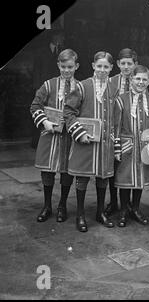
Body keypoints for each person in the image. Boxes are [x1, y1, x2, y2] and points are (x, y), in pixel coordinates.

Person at [63, 51, 117, 232]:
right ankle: (80, 214)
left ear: (111, 68)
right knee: (82, 178)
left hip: (104, 143)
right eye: (99, 66)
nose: (102, 70)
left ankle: (100, 212)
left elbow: (117, 117)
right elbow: (68, 112)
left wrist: (114, 139)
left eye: (106, 67)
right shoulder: (82, 86)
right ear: (93, 66)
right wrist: (79, 133)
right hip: (84, 141)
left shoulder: (114, 88)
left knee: (103, 178)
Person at [30, 49, 80, 223]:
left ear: (76, 66)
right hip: (50, 135)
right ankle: (47, 205)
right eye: (63, 66)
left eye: (70, 67)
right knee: (48, 170)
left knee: (67, 171)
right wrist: (44, 122)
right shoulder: (49, 85)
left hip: (70, 136)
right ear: (58, 65)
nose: (67, 70)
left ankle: (62, 205)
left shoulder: (80, 87)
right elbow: (35, 106)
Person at [113, 65, 149, 227]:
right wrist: (117, 148)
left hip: (144, 146)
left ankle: (135, 208)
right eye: (137, 79)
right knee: (125, 179)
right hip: (127, 146)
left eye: (144, 79)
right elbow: (116, 126)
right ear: (131, 79)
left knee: (140, 179)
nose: (140, 82)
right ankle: (124, 210)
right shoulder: (121, 100)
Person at [105, 48, 139, 217]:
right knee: (114, 166)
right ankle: (113, 201)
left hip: (132, 131)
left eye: (130, 64)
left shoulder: (140, 81)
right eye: (123, 63)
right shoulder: (111, 82)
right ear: (117, 64)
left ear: (135, 64)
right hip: (115, 129)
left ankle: (131, 204)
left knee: (131, 166)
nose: (126, 67)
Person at [31, 29, 66, 149]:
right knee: (40, 111)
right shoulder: (41, 52)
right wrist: (37, 87)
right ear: (53, 37)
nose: (62, 39)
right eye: (60, 36)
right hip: (43, 87)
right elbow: (36, 70)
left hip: (57, 87)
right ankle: (36, 142)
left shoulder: (62, 52)